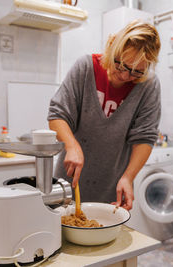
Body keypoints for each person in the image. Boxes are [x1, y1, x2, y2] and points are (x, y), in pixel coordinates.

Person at [48, 20, 161, 210]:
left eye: (136, 72)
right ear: (111, 48)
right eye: (121, 65)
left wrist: (128, 177)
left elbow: (145, 137)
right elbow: (57, 114)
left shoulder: (148, 85)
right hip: (68, 182)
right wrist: (72, 145)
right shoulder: (86, 68)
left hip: (113, 189)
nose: (126, 76)